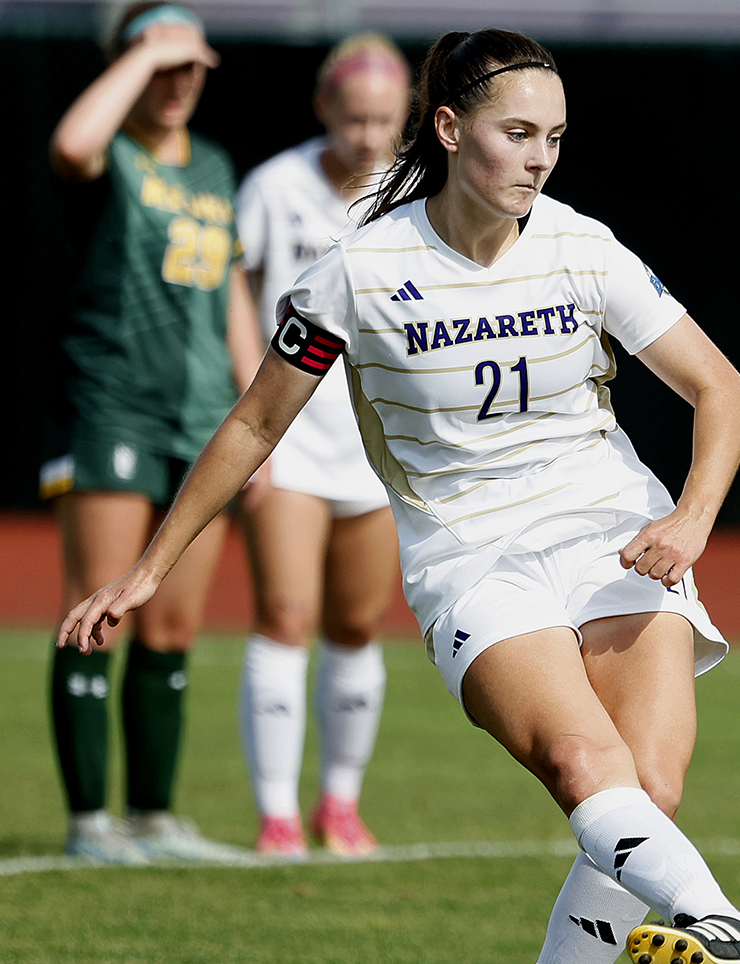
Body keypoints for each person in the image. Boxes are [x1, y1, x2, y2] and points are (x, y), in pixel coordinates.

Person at [60, 26, 740, 964]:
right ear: (450, 131)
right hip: (471, 558)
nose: (539, 158)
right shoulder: (358, 270)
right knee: (586, 768)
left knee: (650, 794)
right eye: (517, 133)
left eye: (554, 137)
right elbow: (255, 426)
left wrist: (690, 518)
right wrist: (147, 571)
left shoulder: (583, 246)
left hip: (611, 532)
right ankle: (714, 914)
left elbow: (725, 391)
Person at [42, 1, 249, 864]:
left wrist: (252, 412)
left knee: (172, 628)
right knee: (100, 609)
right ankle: (91, 820)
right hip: (115, 402)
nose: (180, 81)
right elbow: (72, 146)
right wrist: (140, 53)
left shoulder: (212, 165)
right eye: (162, 63)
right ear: (127, 64)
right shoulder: (114, 151)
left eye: (192, 64)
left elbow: (232, 292)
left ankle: (154, 817)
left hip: (200, 417)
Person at [231, 33, 410, 859]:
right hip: (292, 441)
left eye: (385, 120)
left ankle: (340, 806)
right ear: (323, 110)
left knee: (355, 623)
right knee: (286, 614)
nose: (369, 137)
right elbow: (238, 285)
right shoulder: (274, 185)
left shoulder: (414, 194)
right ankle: (276, 817)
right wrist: (253, 417)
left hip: (375, 445)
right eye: (355, 118)